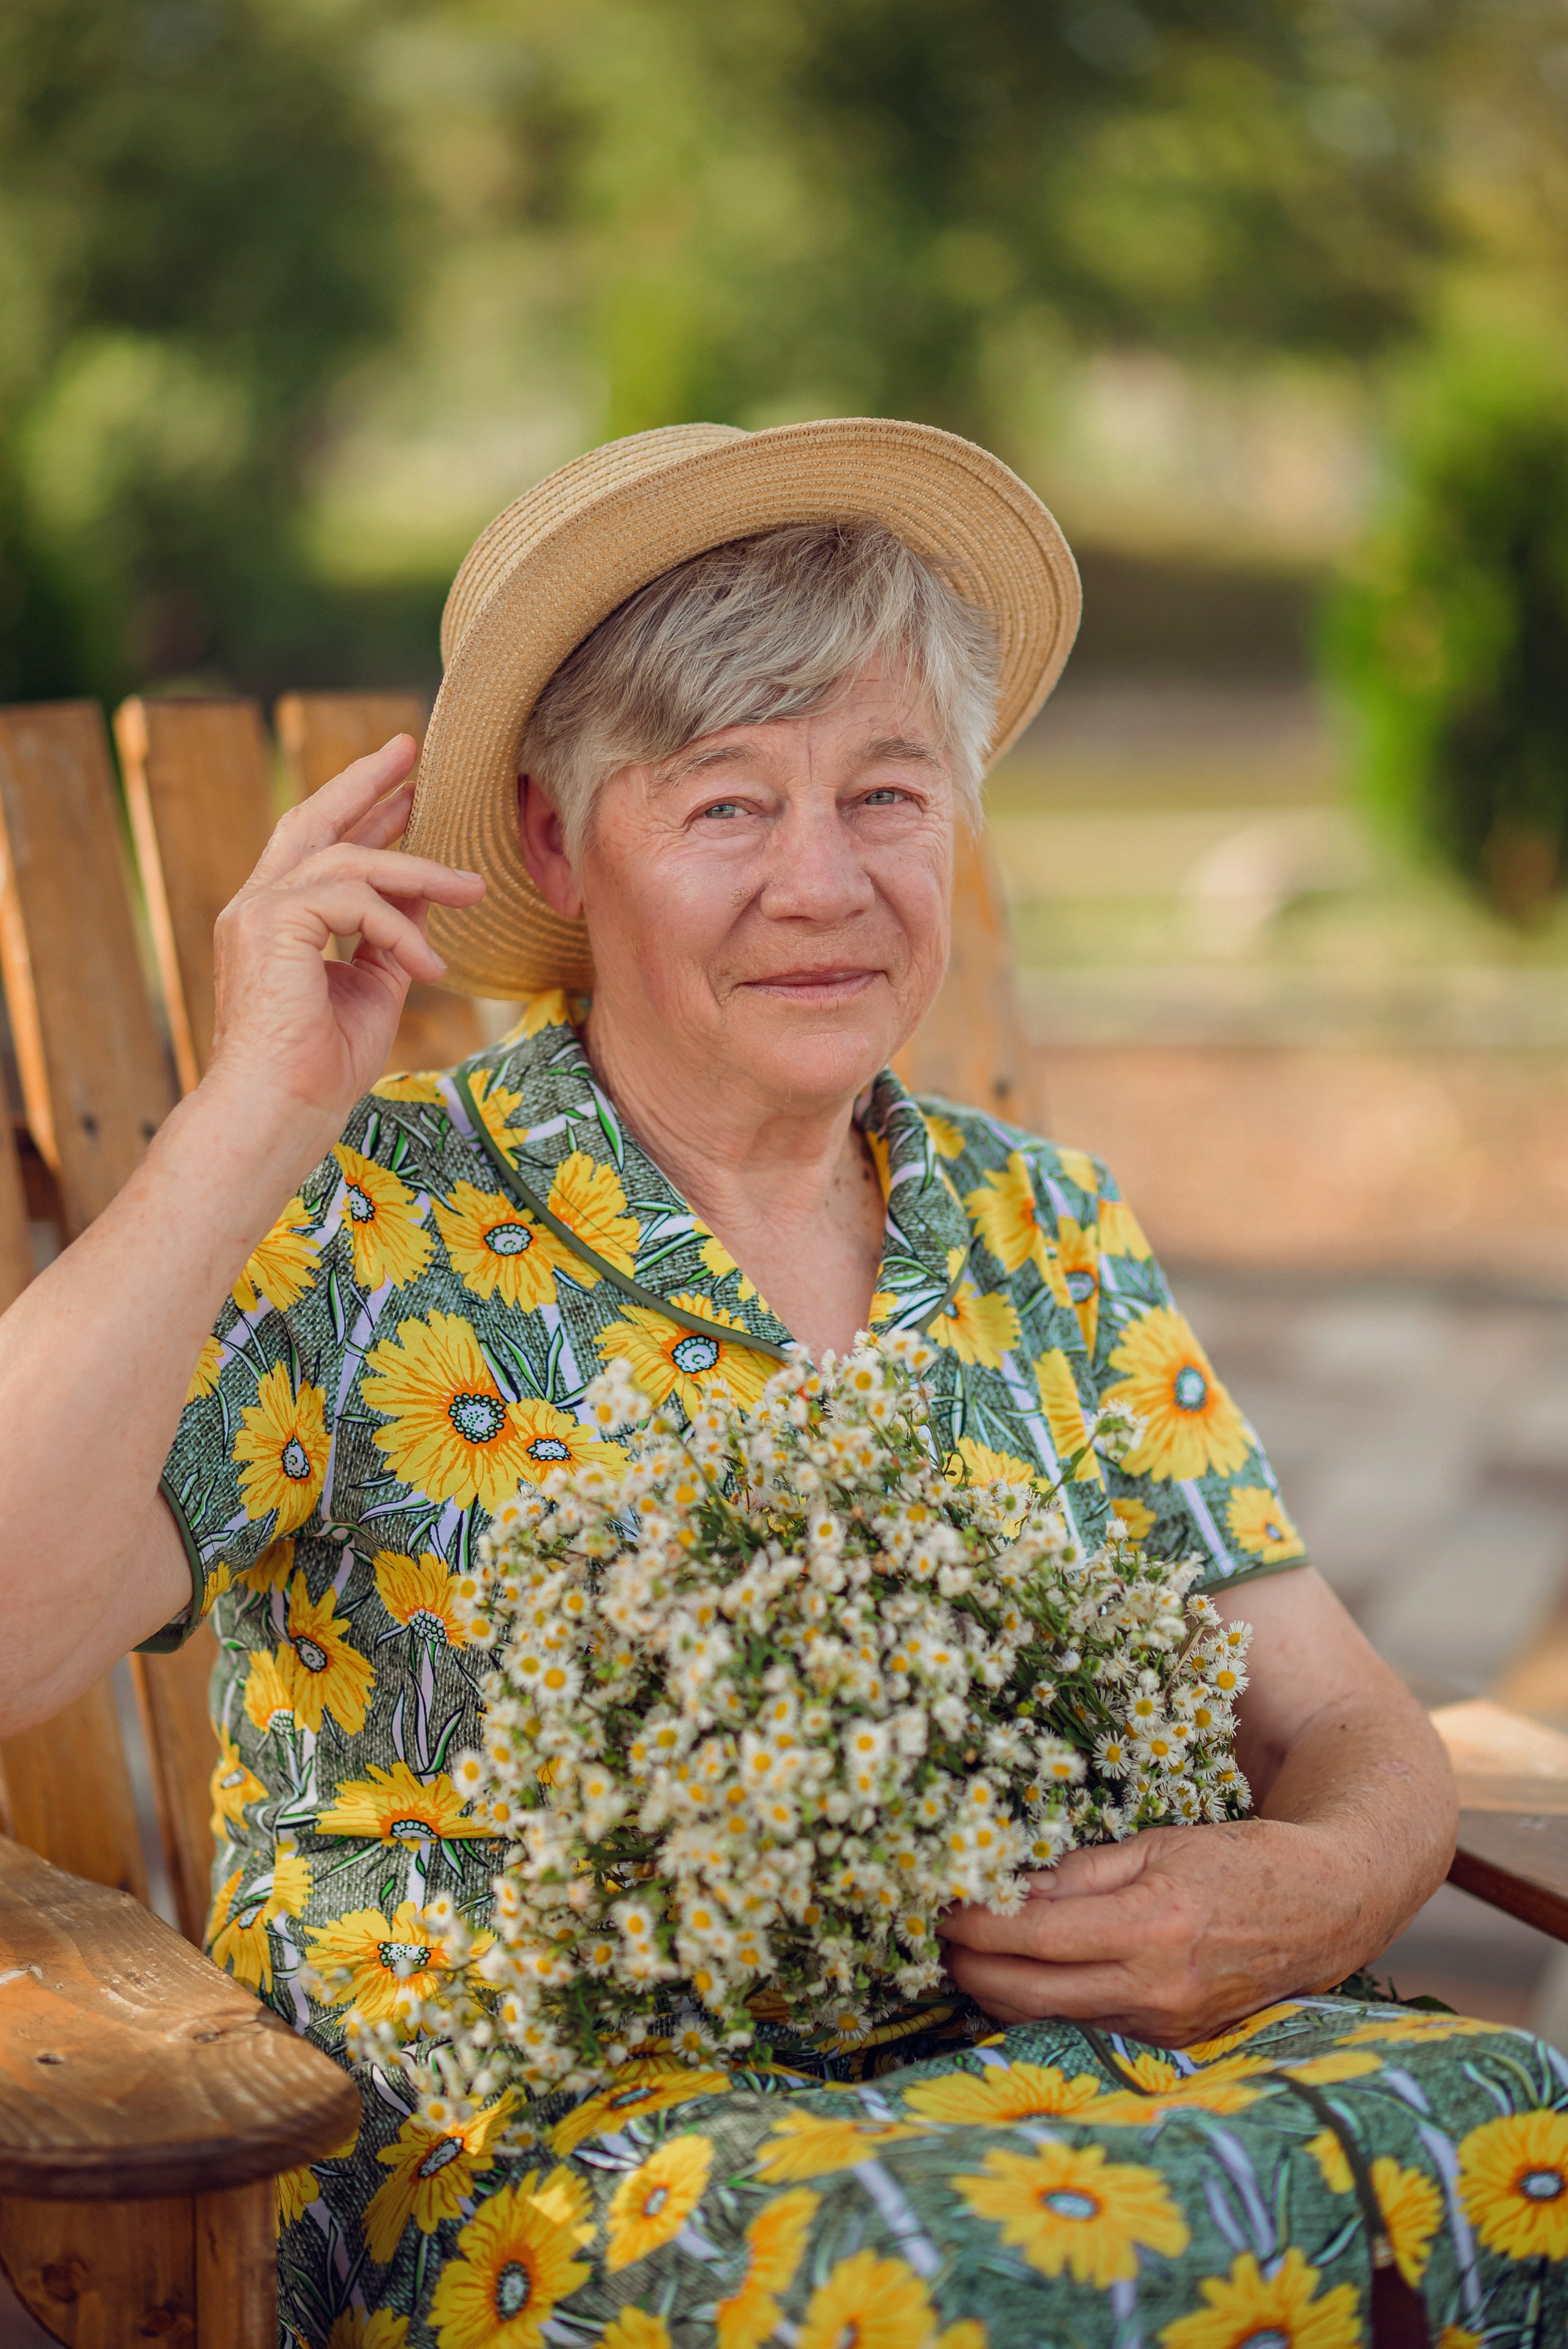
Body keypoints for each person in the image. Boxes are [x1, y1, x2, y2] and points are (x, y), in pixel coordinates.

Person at [0, 420, 1555, 2348]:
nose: (824, 882)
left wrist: (1317, 1882)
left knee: (1514, 2126)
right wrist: (251, 1121)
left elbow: (1344, 1712)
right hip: (576, 2147)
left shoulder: (1040, 1228)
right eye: (726, 805)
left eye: (886, 793)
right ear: (563, 847)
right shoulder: (365, 1223)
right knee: (924, 2274)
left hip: (1070, 2080)